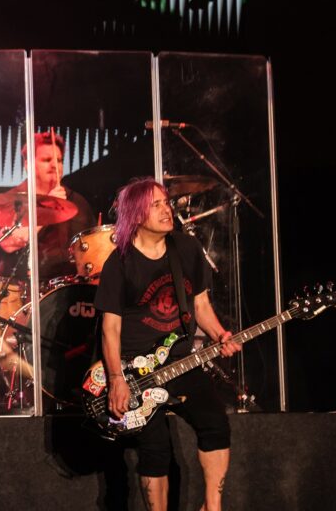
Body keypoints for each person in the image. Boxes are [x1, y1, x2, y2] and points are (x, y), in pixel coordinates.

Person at [94, 177, 240, 511]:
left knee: (215, 423)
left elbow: (200, 306)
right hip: (135, 370)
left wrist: (219, 334)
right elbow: (110, 329)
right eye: (156, 204)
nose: (166, 209)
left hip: (179, 360)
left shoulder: (185, 249)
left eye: (166, 202)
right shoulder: (119, 263)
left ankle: (212, 507)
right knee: (156, 447)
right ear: (137, 214)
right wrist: (116, 379)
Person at [0, 130, 95, 279]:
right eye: (47, 160)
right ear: (28, 164)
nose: (55, 165)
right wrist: (47, 208)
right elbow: (8, 243)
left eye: (59, 160)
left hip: (69, 291)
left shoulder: (77, 201)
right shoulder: (11, 199)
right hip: (21, 289)